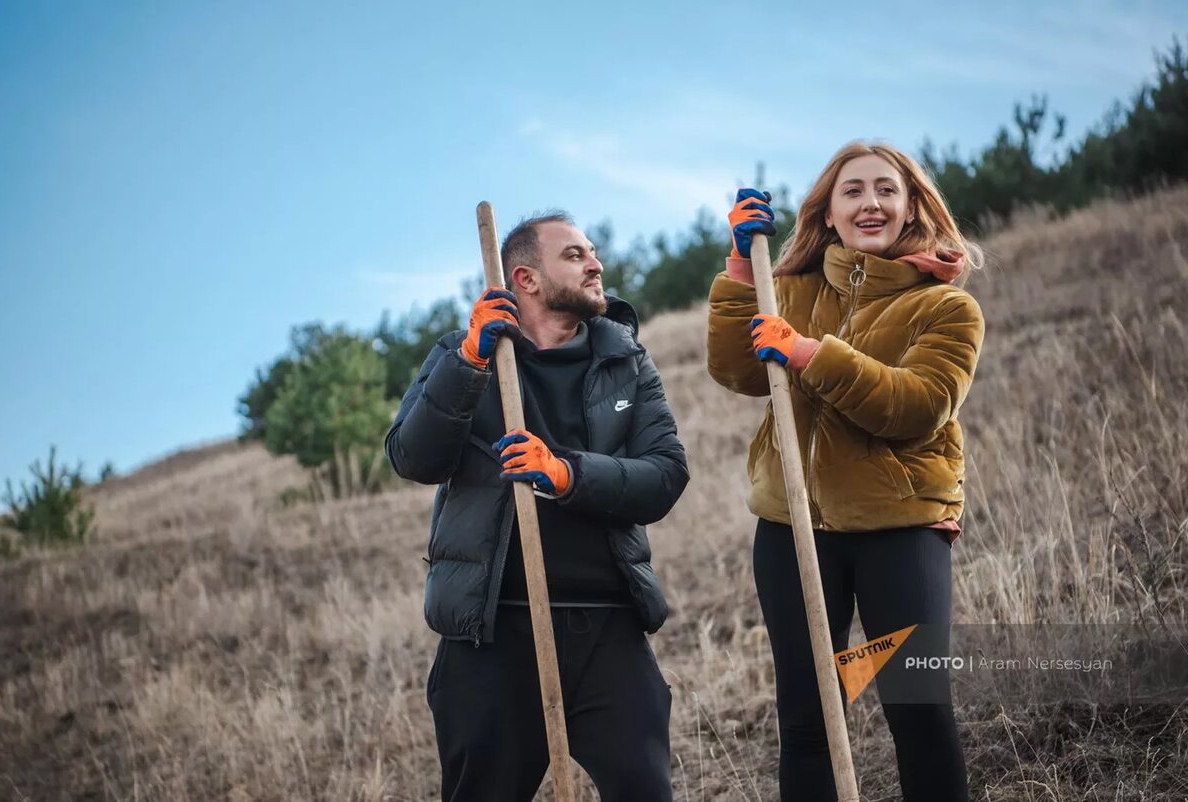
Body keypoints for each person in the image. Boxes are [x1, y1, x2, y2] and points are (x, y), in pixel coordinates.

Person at [707, 142, 984, 801]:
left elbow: (915, 406)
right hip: (794, 525)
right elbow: (736, 370)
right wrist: (744, 272)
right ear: (827, 214)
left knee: (917, 708)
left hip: (901, 526)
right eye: (852, 191)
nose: (870, 202)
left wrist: (807, 353)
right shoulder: (789, 291)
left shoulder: (945, 307)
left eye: (886, 190)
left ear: (912, 206)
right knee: (806, 718)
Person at [386, 211, 689, 802]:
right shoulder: (461, 355)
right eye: (574, 255)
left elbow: (665, 476)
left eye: (593, 252)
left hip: (607, 626)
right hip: (493, 632)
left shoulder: (625, 361)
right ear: (523, 278)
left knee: (643, 787)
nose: (596, 263)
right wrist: (469, 363)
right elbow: (413, 457)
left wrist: (565, 473)